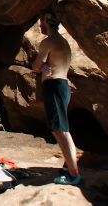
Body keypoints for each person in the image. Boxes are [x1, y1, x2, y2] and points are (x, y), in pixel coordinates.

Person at [32, 11, 82, 186]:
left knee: (61, 130)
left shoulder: (49, 42)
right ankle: (70, 168)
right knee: (59, 129)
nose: (40, 25)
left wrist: (42, 66)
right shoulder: (64, 43)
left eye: (41, 21)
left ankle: (74, 174)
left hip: (54, 86)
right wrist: (46, 65)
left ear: (46, 20)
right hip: (62, 85)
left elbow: (36, 66)